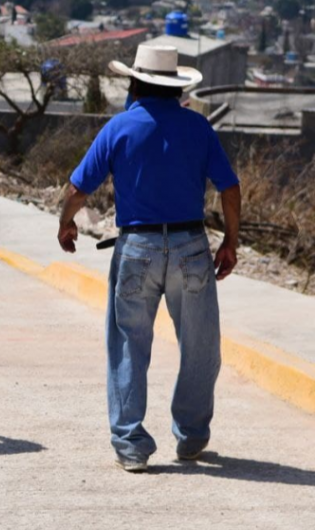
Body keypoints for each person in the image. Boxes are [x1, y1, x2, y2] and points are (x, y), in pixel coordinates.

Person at [57, 45, 241, 473]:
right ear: (175, 87)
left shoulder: (119, 127)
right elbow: (229, 189)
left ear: (134, 83)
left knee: (127, 345)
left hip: (136, 248)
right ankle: (192, 436)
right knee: (200, 347)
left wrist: (66, 224)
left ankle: (131, 445)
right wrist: (230, 242)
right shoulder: (198, 128)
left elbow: (77, 189)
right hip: (190, 248)